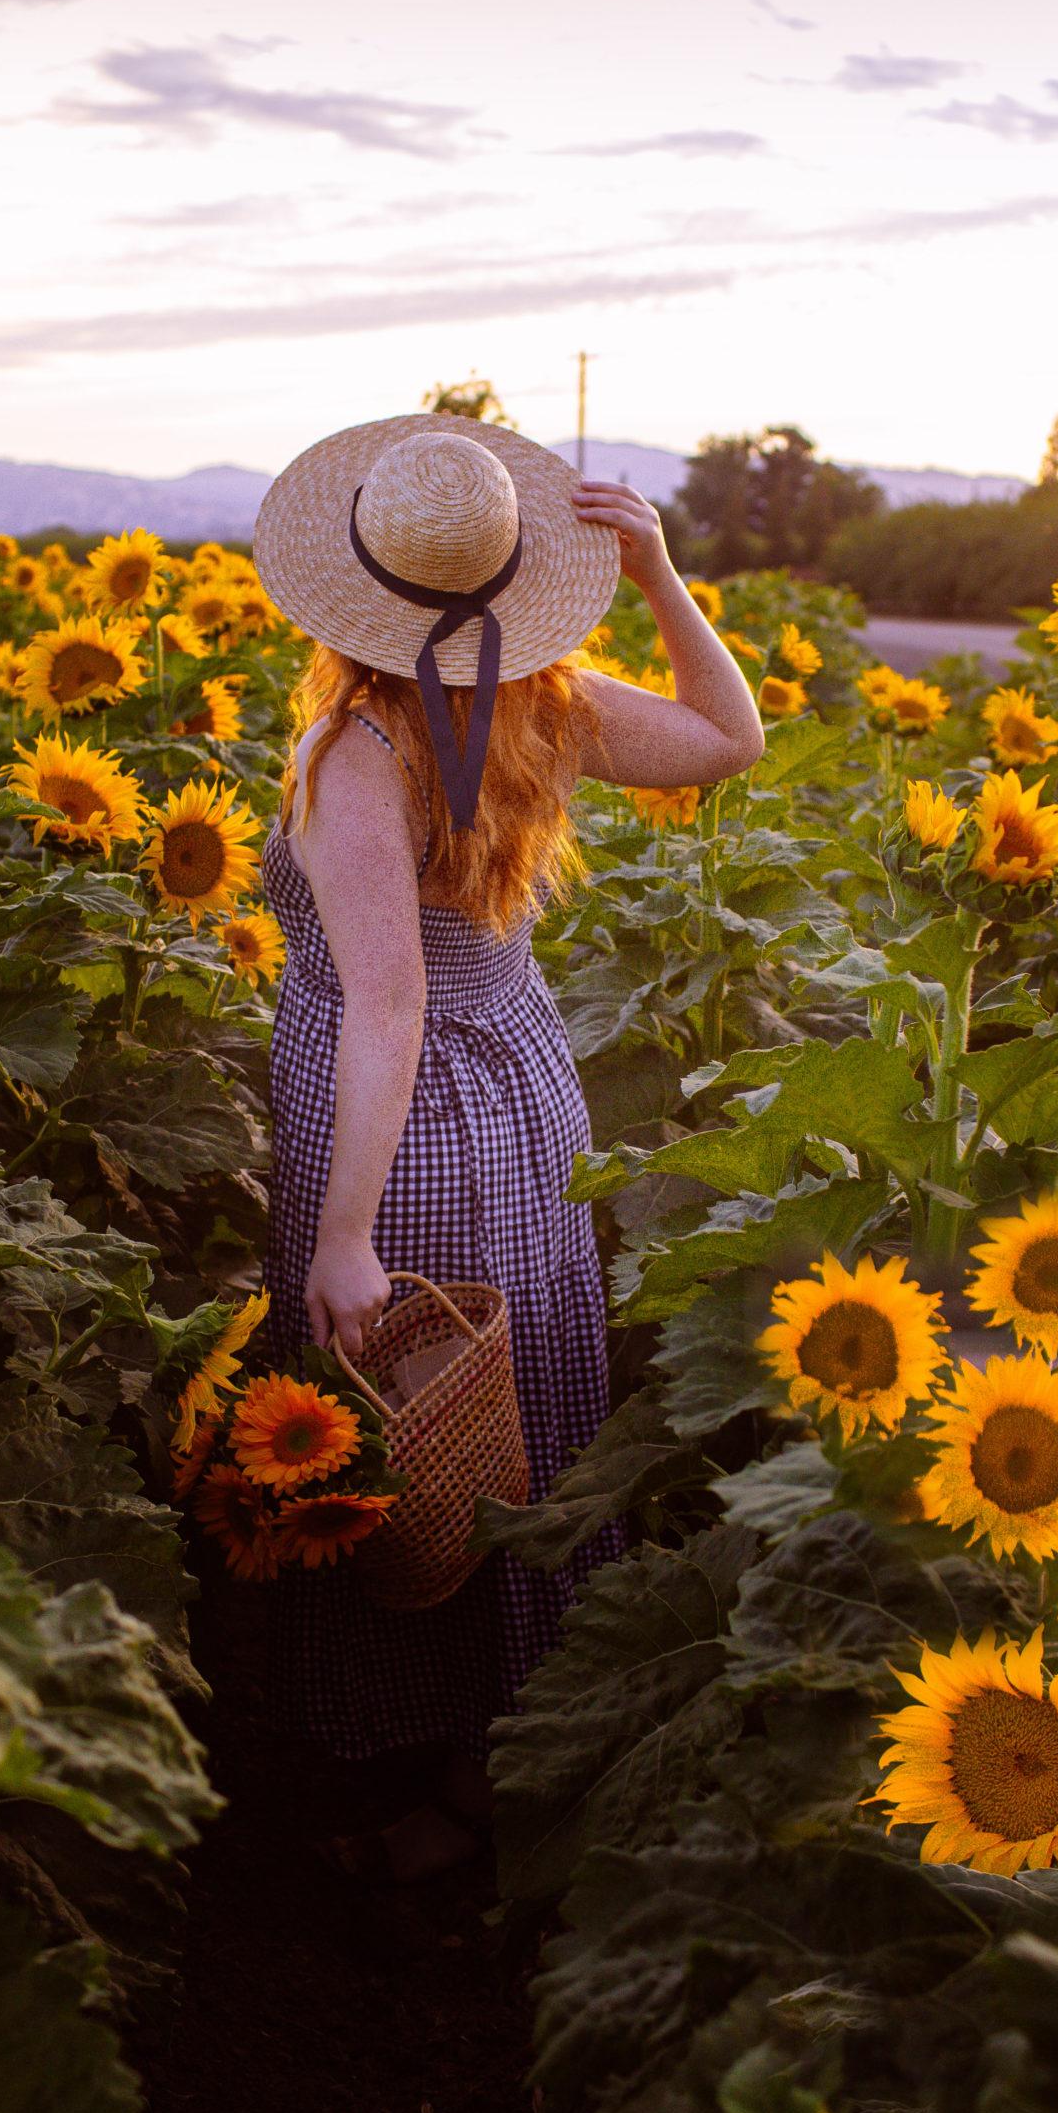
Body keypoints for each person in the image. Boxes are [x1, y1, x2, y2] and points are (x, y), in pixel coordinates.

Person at [250, 415, 764, 1879]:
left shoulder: (357, 746)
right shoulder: (544, 697)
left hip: (400, 1128)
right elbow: (732, 738)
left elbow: (387, 1009)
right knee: (508, 1408)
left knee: (398, 1434)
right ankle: (505, 1765)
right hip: (524, 1093)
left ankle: (420, 1787)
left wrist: (345, 1231)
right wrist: (662, 574)